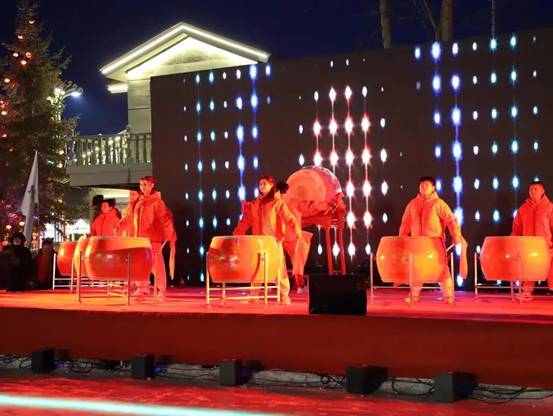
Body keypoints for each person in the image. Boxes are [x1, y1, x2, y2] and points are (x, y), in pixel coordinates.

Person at [233, 176, 302, 304]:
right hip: (258, 242)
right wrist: (237, 233)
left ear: (271, 185)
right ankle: (254, 295)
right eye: (260, 184)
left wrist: (297, 231)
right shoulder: (255, 203)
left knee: (279, 268)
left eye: (264, 183)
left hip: (273, 241)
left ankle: (284, 295)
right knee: (257, 268)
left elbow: (289, 218)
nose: (262, 186)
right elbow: (246, 220)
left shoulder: (277, 202)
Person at [399, 176, 463, 304]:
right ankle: (414, 296)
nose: (423, 187)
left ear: (433, 188)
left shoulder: (438, 204)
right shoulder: (413, 204)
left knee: (441, 270)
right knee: (417, 269)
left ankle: (448, 296)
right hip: (417, 244)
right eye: (421, 185)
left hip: (434, 244)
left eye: (426, 185)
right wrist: (401, 238)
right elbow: (405, 223)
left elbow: (451, 220)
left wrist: (456, 235)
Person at [275, 181, 346, 293]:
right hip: (291, 235)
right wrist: (328, 204)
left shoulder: (272, 202)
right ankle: (299, 283)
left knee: (281, 260)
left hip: (276, 237)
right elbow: (310, 207)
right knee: (298, 257)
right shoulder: (293, 201)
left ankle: (285, 284)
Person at [132, 176, 175, 301]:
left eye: (145, 184)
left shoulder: (157, 202)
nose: (142, 187)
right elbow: (131, 218)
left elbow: (166, 219)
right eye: (141, 184)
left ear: (152, 185)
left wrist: (169, 233)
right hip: (139, 239)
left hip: (153, 238)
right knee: (140, 264)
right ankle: (141, 287)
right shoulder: (139, 202)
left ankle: (162, 290)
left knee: (156, 265)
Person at [511, 180, 553, 300]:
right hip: (527, 247)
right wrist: (515, 243)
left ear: (542, 191)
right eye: (531, 189)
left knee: (551, 269)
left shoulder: (549, 207)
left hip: (546, 247)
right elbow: (516, 228)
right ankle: (526, 292)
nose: (533, 192)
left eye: (535, 189)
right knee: (527, 270)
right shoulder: (523, 209)